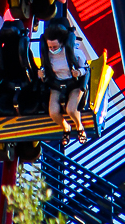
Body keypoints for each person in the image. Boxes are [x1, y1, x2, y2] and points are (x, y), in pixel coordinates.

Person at [38, 18, 90, 147]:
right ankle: (66, 127)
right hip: (57, 84)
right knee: (53, 112)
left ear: (61, 43)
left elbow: (86, 69)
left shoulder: (74, 52)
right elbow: (45, 69)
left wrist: (79, 73)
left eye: (54, 47)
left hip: (73, 83)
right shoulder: (47, 55)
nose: (52, 49)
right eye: (50, 47)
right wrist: (41, 74)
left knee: (71, 109)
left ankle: (79, 127)